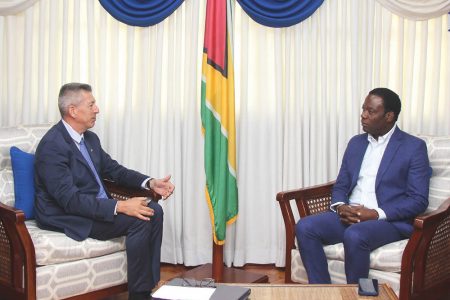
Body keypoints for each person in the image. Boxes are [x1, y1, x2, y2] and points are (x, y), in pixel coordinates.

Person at [34, 82, 174, 300]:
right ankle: (139, 296)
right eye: (91, 105)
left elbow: (114, 170)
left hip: (95, 204)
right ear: (73, 111)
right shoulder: (52, 146)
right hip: (71, 213)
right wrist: (120, 206)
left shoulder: (89, 138)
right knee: (140, 218)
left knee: (154, 211)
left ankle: (149, 286)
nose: (97, 109)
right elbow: (70, 200)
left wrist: (150, 183)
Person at [295, 87, 431, 284]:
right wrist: (341, 206)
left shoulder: (413, 147)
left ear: (389, 116)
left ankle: (356, 295)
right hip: (349, 215)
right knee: (305, 226)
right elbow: (341, 184)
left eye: (371, 111)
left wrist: (375, 213)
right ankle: (322, 291)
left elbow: (418, 200)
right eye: (363, 109)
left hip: (387, 222)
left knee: (356, 235)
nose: (363, 116)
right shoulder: (356, 143)